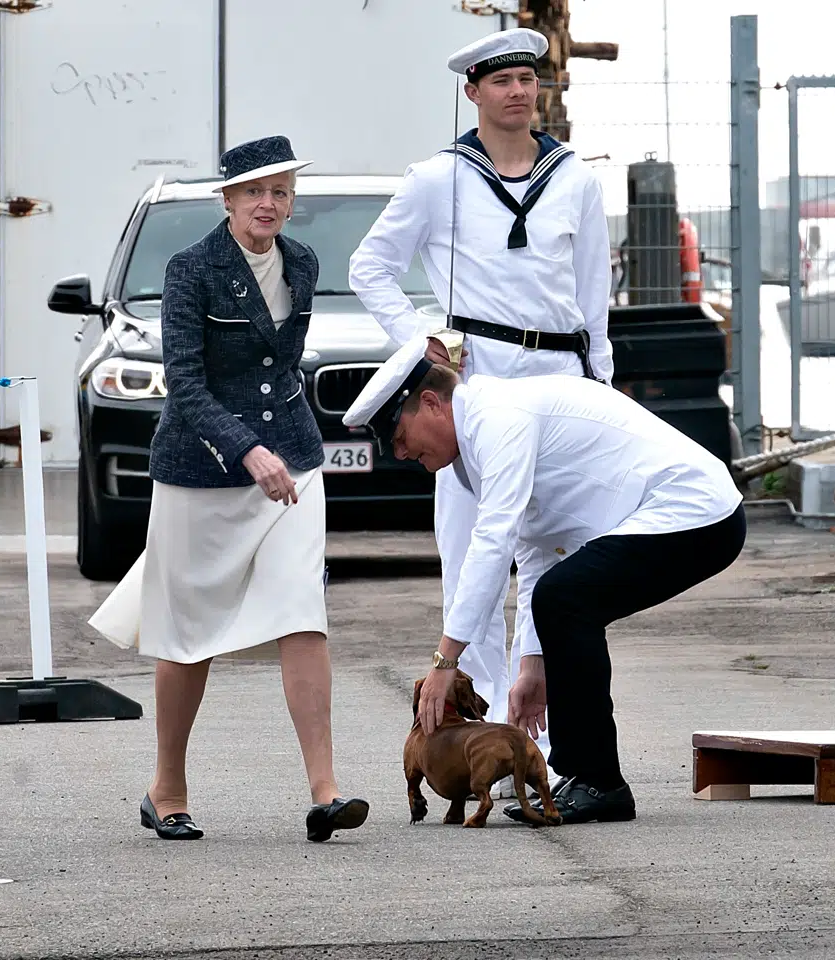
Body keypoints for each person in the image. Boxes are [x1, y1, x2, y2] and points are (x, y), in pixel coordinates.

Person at [348, 26, 614, 796]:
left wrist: (600, 384)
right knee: (475, 558)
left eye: (528, 78)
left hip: (559, 372)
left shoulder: (576, 179)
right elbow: (371, 266)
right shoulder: (438, 178)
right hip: (475, 381)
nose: (519, 91)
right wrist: (423, 348)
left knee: (556, 564)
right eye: (501, 81)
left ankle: (551, 748)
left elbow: (594, 297)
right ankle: (487, 745)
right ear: (473, 92)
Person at [342, 338, 746, 824]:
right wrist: (534, 664)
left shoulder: (498, 419)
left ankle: (599, 781)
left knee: (568, 597)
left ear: (431, 403)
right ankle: (586, 776)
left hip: (698, 513)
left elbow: (493, 541)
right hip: (678, 514)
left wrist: (446, 659)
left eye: (399, 434)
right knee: (566, 595)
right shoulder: (479, 440)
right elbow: (540, 549)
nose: (401, 452)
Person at [129, 135, 368, 843]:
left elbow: (280, 368)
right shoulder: (190, 269)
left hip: (292, 462)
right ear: (228, 199)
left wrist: (278, 450)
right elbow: (186, 383)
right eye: (255, 191)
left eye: (282, 191)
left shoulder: (303, 261)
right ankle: (166, 786)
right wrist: (245, 449)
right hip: (201, 469)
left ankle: (325, 791)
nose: (269, 203)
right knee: (187, 630)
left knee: (303, 610)